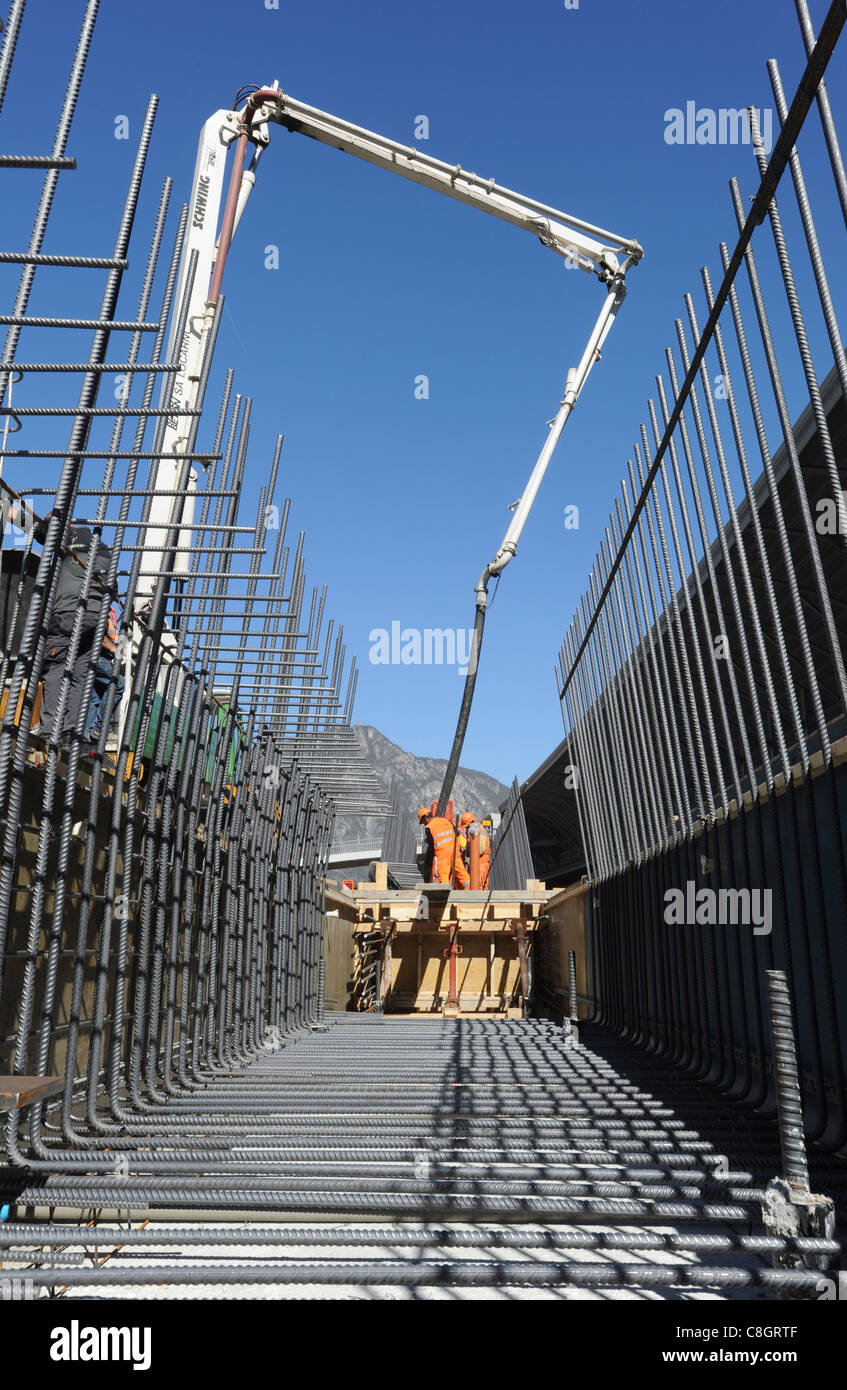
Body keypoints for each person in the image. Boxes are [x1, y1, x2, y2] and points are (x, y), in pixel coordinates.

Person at [15, 508, 114, 744]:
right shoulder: (102, 547)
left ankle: (50, 732)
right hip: (95, 616)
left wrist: (11, 511)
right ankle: (70, 733)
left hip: (69, 612)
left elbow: (40, 529)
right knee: (80, 673)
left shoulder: (70, 537)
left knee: (56, 667)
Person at [82, 601, 125, 745]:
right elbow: (97, 634)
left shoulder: (111, 611)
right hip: (97, 656)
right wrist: (114, 648)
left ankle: (87, 735)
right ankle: (100, 728)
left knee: (95, 697)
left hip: (102, 657)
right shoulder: (99, 606)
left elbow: (116, 636)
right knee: (118, 683)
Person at [417, 807, 469, 887]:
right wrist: (458, 850)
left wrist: (428, 863)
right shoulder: (446, 820)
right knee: (462, 875)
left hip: (443, 855)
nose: (424, 824)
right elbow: (457, 835)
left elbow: (431, 848)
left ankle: (446, 897)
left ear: (425, 818)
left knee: (443, 877)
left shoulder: (429, 827)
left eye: (423, 822)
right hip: (455, 852)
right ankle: (471, 891)